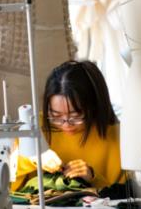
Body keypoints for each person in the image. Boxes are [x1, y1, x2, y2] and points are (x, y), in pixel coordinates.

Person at [11, 60, 125, 191]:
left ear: (95, 106)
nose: (66, 125)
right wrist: (31, 159)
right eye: (56, 116)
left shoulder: (117, 137)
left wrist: (93, 178)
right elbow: (3, 182)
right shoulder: (34, 128)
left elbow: (127, 199)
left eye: (76, 116)